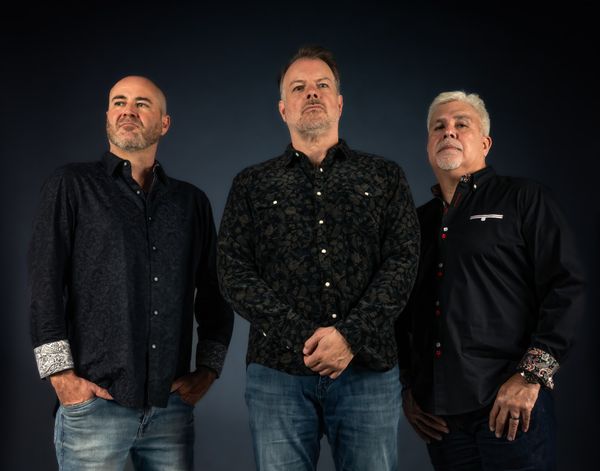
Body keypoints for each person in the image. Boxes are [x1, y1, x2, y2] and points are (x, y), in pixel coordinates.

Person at [217, 45, 419, 470]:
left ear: (339, 103)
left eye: (322, 85)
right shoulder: (251, 184)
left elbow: (402, 263)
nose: (311, 93)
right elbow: (233, 272)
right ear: (283, 109)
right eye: (298, 87)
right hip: (277, 375)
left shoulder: (384, 176)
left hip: (368, 371)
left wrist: (349, 337)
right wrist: (303, 337)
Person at [29, 75, 234, 470]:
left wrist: (209, 371)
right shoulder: (71, 185)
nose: (128, 110)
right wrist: (61, 377)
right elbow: (44, 283)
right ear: (107, 116)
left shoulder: (191, 203)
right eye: (119, 102)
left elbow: (216, 292)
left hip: (170, 410)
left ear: (164, 123)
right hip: (94, 406)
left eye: (142, 103)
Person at [396, 90, 585, 470]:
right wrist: (408, 388)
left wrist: (531, 377)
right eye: (438, 127)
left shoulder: (523, 199)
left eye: (461, 124)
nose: (448, 132)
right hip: (441, 420)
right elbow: (400, 311)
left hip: (511, 405)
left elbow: (566, 286)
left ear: (485, 143)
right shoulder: (416, 224)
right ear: (428, 145)